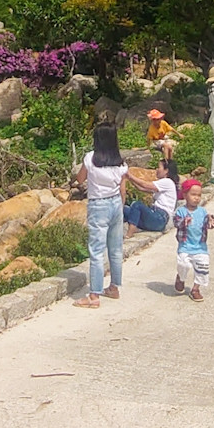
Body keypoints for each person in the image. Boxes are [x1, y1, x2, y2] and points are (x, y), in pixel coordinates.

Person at [73, 124, 130, 307]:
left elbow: (80, 179)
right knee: (116, 249)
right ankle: (114, 287)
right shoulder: (121, 163)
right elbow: (123, 190)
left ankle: (94, 296)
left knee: (96, 251)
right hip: (116, 203)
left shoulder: (91, 158)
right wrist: (120, 208)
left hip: (99, 205)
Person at [173, 178, 214, 301]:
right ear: (185, 195)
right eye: (193, 194)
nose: (196, 198)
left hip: (200, 247)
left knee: (203, 268)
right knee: (183, 264)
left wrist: (211, 222)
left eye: (199, 195)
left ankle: (196, 289)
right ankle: (180, 278)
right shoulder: (181, 211)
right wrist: (184, 222)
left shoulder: (202, 211)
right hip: (185, 246)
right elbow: (176, 223)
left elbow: (208, 223)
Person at [126, 158, 178, 232]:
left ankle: (129, 234)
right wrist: (128, 177)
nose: (156, 169)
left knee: (137, 205)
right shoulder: (162, 184)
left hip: (160, 218)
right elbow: (141, 188)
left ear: (166, 171)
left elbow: (145, 185)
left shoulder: (168, 182)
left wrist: (130, 175)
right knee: (125, 210)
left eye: (159, 167)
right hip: (154, 216)